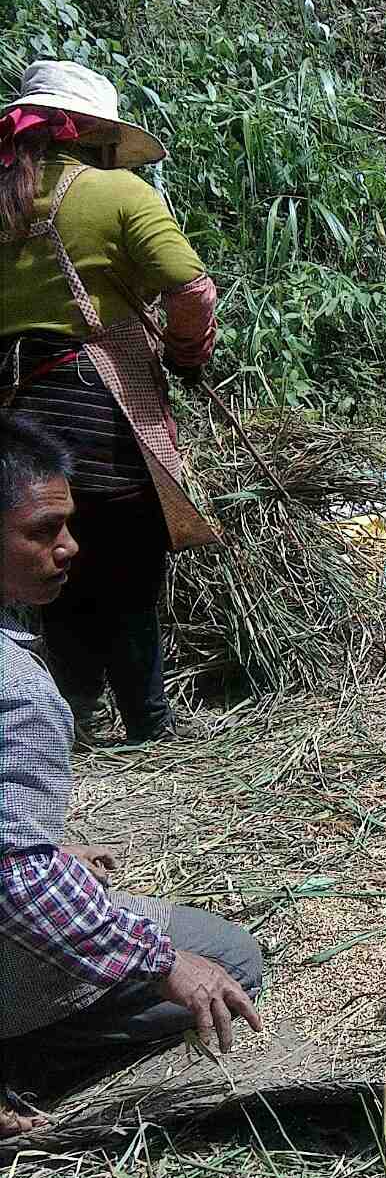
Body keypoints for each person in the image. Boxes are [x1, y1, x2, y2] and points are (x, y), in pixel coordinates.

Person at [0, 414, 261, 1139]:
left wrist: (42, 846)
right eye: (43, 530)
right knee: (228, 959)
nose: (69, 546)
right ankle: (23, 1060)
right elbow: (16, 885)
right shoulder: (18, 691)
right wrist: (161, 962)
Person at [0, 59, 219, 744]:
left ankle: (72, 713)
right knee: (130, 564)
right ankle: (149, 720)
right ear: (93, 133)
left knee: (54, 562)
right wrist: (187, 354)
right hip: (100, 405)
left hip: (17, 411)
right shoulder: (117, 192)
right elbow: (191, 290)